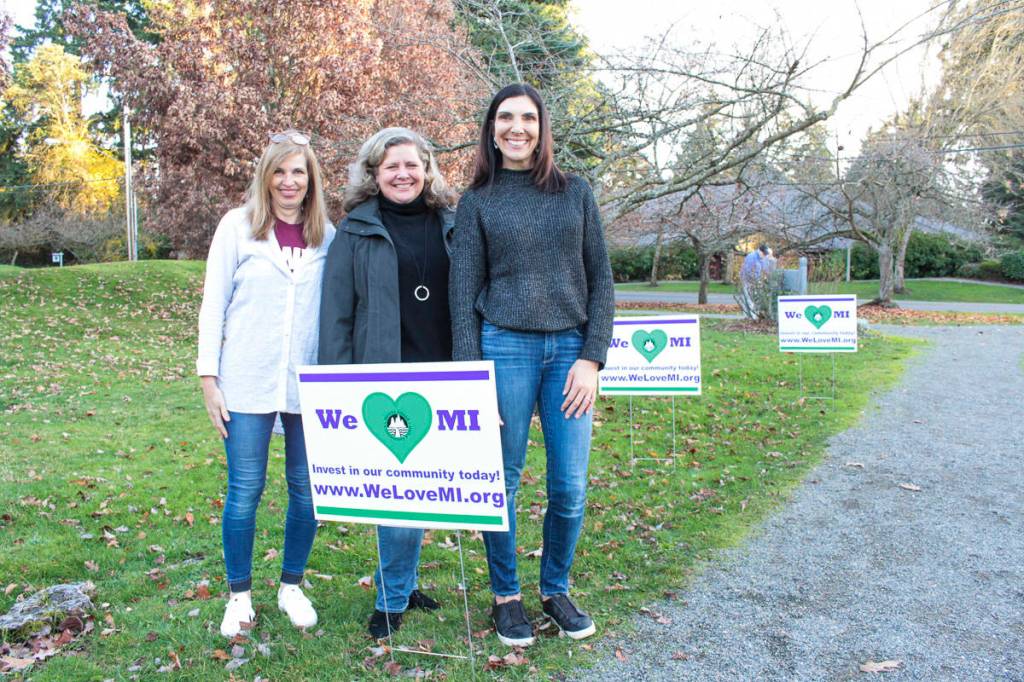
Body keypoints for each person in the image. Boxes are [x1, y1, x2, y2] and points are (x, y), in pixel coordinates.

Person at [449, 84, 615, 646]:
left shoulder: (576, 193)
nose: (515, 128)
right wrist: (472, 379)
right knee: (503, 481)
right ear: (491, 129)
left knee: (569, 485)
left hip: (569, 352)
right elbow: (463, 293)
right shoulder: (477, 201)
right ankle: (507, 596)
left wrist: (592, 357)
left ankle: (556, 588)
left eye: (526, 118)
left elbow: (602, 280)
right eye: (505, 118)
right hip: (504, 349)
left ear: (542, 128)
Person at [197, 130, 335, 638]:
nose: (289, 181)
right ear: (266, 176)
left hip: (308, 383)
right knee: (245, 490)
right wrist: (209, 378)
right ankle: (238, 595)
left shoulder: (328, 234)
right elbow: (214, 306)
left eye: (298, 171)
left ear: (311, 178)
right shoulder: (237, 228)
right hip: (247, 379)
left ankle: (291, 586)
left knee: (307, 491)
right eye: (280, 170)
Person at [318, 127, 455, 639]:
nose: (403, 174)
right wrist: (335, 387)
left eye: (412, 164)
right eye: (391, 166)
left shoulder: (452, 224)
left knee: (422, 491)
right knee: (398, 492)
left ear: (427, 169)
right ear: (374, 174)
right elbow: (336, 315)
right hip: (383, 376)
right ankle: (392, 597)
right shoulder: (354, 231)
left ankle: (403, 579)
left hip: (445, 375)